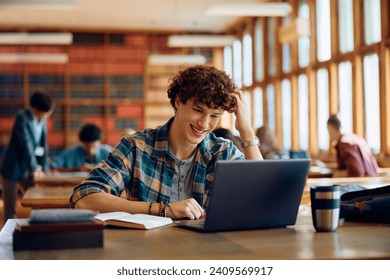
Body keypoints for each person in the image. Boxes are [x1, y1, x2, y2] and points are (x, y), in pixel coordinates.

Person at [70, 65, 263, 220]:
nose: (204, 124)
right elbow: (85, 199)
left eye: (214, 116)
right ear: (178, 101)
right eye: (198, 110)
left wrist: (245, 131)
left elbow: (262, 196)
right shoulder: (136, 147)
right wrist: (161, 210)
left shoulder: (222, 151)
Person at [0, 91, 54, 221]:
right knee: (10, 206)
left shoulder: (43, 118)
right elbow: (26, 145)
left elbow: (43, 145)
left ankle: (36, 229)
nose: (46, 115)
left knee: (37, 199)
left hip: (29, 167)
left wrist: (43, 167)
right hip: (12, 167)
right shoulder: (22, 117)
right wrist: (35, 168)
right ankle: (9, 237)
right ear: (34, 109)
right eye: (44, 112)